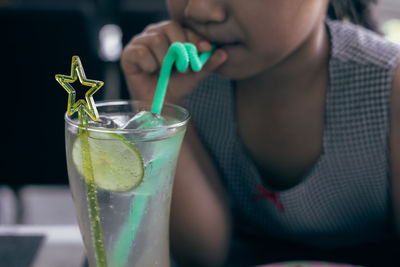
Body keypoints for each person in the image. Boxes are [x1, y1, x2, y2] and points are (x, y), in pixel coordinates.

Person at [121, 0, 400, 266]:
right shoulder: (184, 84)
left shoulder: (388, 88)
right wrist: (164, 105)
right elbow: (201, 256)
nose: (200, 9)